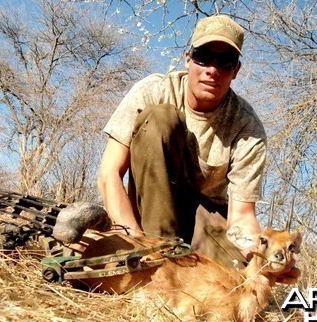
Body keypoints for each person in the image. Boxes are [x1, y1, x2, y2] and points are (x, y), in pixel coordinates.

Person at [97, 15, 266, 266]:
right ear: (188, 58)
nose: (212, 70)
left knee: (237, 277)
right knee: (159, 117)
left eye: (226, 62)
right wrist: (130, 236)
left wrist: (259, 252)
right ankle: (157, 254)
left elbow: (241, 216)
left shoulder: (247, 127)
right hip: (146, 208)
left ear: (236, 70)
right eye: (203, 57)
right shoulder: (153, 91)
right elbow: (109, 173)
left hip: (203, 215)